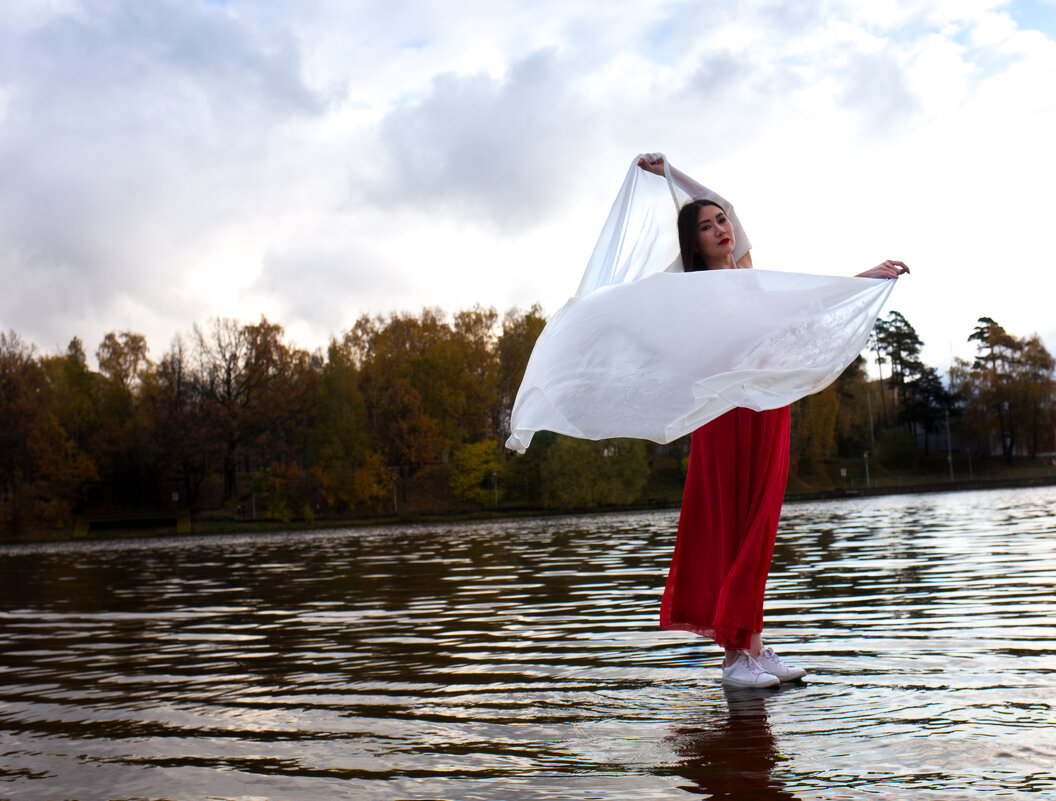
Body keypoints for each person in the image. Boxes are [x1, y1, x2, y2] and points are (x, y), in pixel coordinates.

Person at [637, 154, 908, 688]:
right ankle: (737, 657)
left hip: (768, 411)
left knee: (760, 526)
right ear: (694, 243)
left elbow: (806, 308)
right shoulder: (692, 290)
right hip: (725, 416)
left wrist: (866, 280)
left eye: (723, 221)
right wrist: (669, 182)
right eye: (708, 226)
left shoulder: (749, 278)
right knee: (734, 525)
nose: (722, 228)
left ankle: (753, 645)